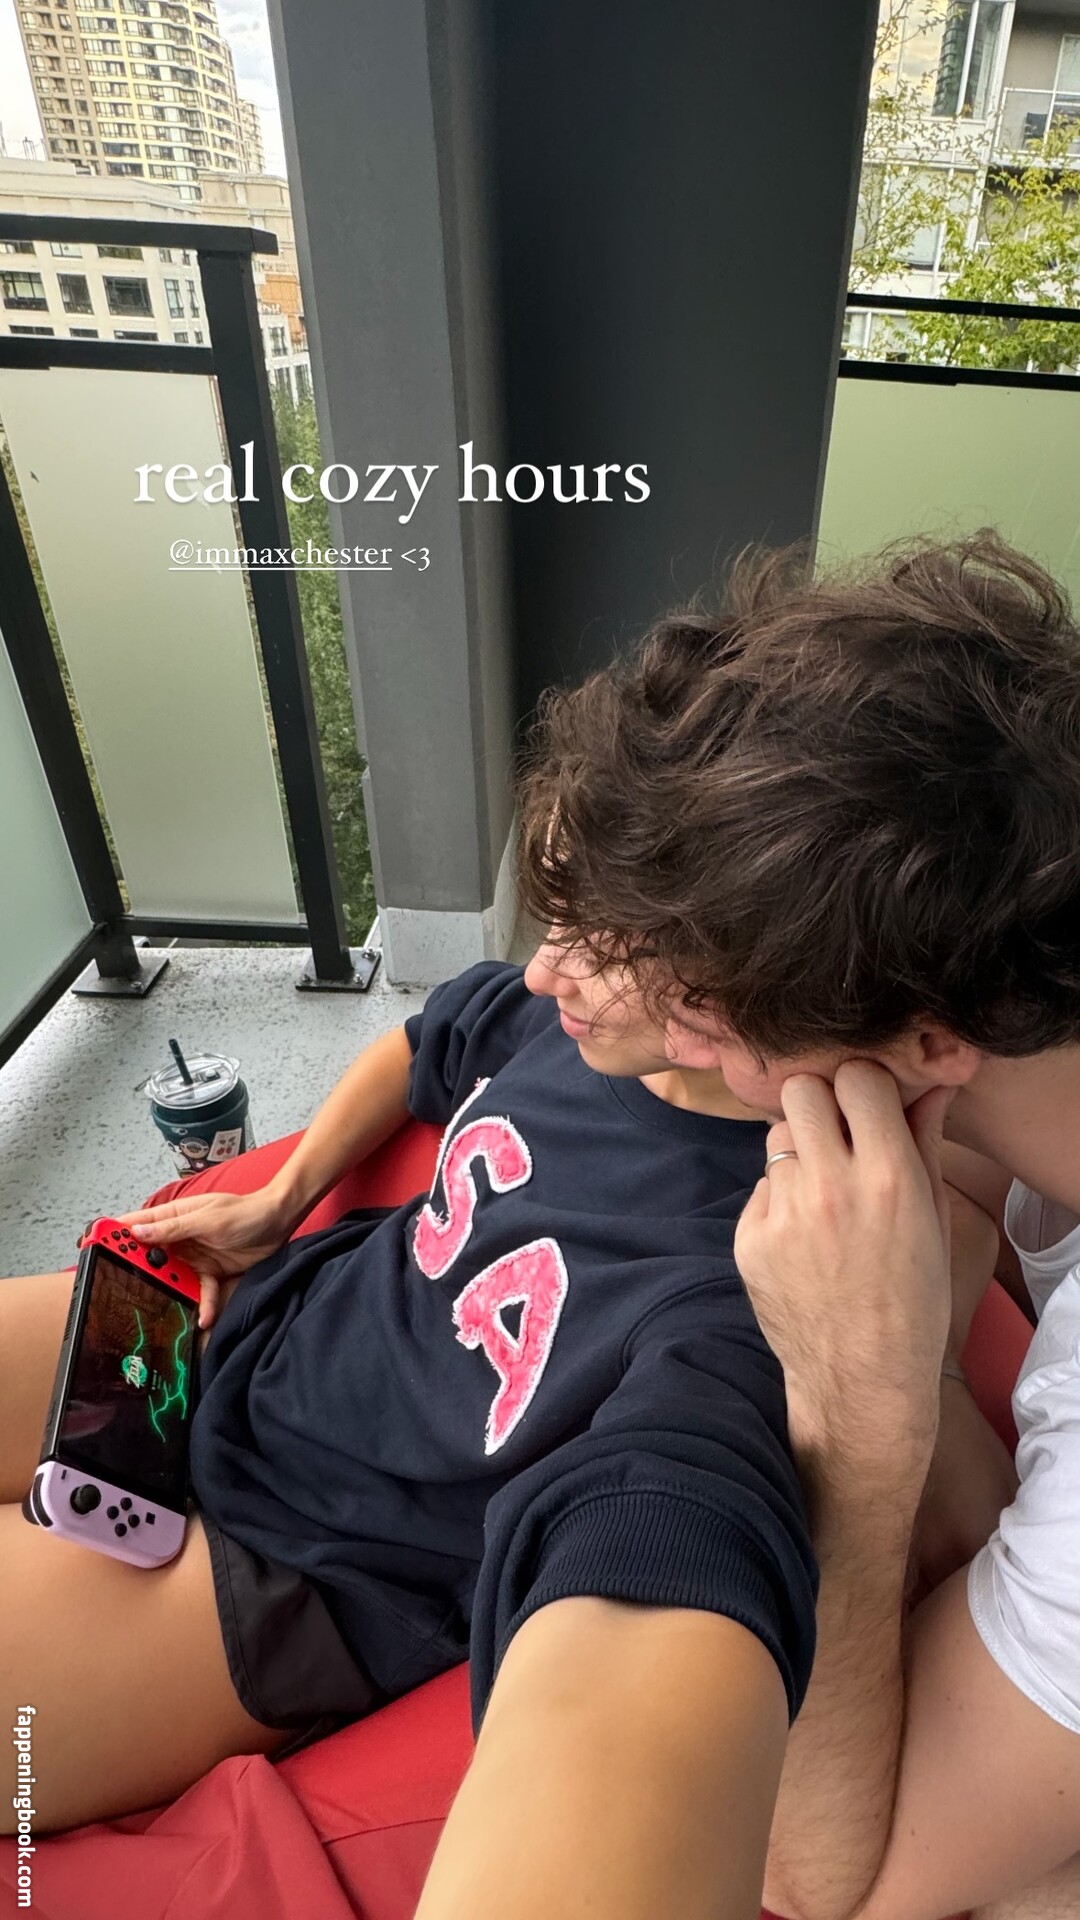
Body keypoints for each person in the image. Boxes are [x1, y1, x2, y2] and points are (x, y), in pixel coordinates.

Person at [1, 790, 821, 1910]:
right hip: (247, 1330)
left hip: (297, 1569)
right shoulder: (576, 1023)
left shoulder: (747, 1275)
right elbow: (425, 1044)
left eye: (608, 944)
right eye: (561, 916)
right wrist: (283, 1197)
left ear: (750, 982)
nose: (547, 969)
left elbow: (678, 1537)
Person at [514, 522, 1080, 1920]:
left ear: (931, 1043)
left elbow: (831, 1874)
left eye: (707, 1007)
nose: (679, 1040)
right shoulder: (1021, 1065)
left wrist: (860, 1427)